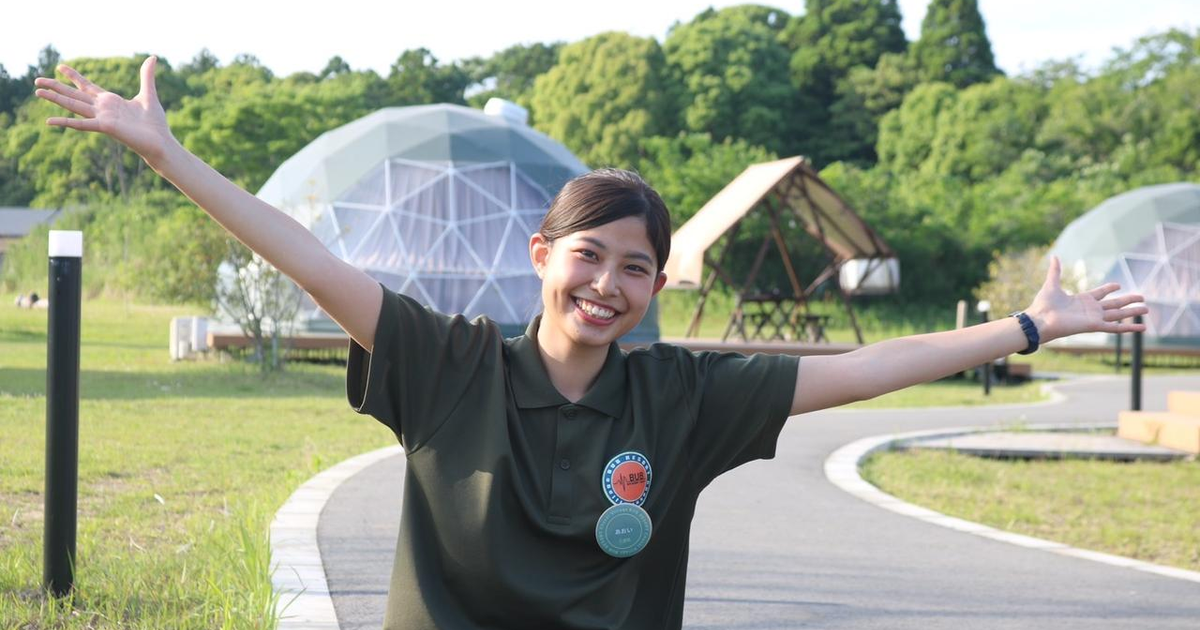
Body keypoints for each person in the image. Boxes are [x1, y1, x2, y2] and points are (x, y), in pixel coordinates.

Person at [35, 57, 1147, 629]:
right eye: (588, 256)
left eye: (635, 267)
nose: (607, 286)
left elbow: (858, 371)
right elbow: (309, 259)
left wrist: (1033, 326)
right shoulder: (449, 363)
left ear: (659, 283)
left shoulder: (678, 398)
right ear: (541, 256)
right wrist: (167, 155)